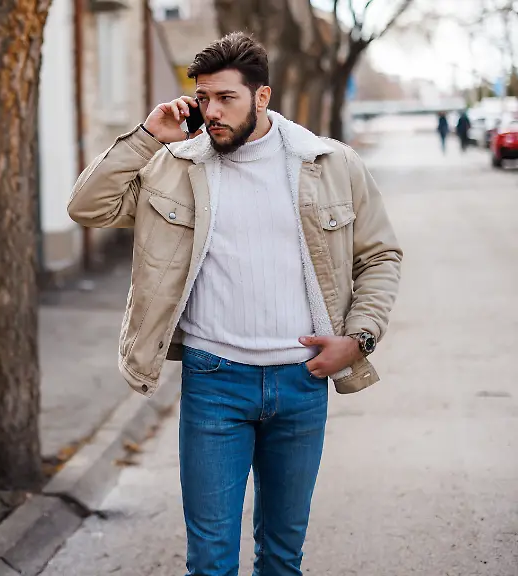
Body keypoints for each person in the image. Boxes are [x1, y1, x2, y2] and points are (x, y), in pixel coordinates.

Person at [68, 32, 402, 576]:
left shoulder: (330, 163)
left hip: (301, 382)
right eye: (203, 98)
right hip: (214, 382)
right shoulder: (176, 165)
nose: (212, 112)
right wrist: (148, 137)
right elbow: (88, 206)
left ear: (262, 97)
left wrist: (359, 338)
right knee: (210, 562)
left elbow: (381, 254)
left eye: (226, 98)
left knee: (281, 558)